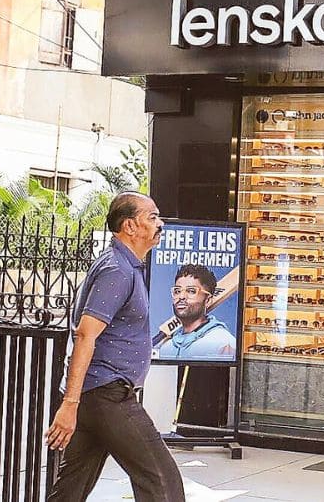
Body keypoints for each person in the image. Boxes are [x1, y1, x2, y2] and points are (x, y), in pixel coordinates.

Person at [45, 192, 184, 502]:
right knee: (162, 481)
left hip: (97, 395)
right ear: (130, 226)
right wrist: (70, 404)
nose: (160, 224)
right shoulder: (117, 270)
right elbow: (85, 335)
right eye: (152, 217)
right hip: (108, 396)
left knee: (70, 489)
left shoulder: (126, 266)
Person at [156, 264, 236, 360]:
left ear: (207, 300)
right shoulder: (165, 348)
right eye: (177, 291)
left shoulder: (223, 343)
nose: (181, 296)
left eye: (191, 291)